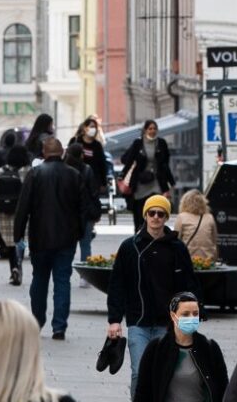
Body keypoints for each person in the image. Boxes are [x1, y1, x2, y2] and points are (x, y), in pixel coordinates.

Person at [106, 193, 198, 387]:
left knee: (164, 375)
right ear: (145, 215)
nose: (156, 217)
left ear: (166, 218)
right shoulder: (130, 247)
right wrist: (114, 320)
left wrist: (192, 317)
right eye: (152, 213)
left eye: (161, 214)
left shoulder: (177, 248)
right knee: (139, 373)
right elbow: (117, 284)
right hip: (138, 321)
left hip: (167, 324)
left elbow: (189, 284)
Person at [15, 136, 96, 341]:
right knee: (62, 281)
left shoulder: (35, 174)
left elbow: (23, 207)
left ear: (43, 153)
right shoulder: (74, 175)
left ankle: (37, 321)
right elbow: (83, 208)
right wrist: (78, 232)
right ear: (62, 153)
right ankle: (59, 327)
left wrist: (18, 235)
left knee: (39, 279)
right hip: (66, 239)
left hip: (39, 237)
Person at [117, 119, 175, 229]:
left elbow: (165, 164)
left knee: (156, 206)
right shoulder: (138, 143)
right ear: (145, 130)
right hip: (140, 182)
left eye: (154, 129)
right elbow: (128, 160)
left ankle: (154, 230)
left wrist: (171, 182)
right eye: (150, 129)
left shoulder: (161, 143)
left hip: (157, 181)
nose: (152, 131)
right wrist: (123, 174)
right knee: (139, 209)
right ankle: (139, 231)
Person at [0, 143, 30, 286]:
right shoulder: (30, 171)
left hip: (4, 212)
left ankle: (13, 267)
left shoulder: (2, 171)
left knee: (10, 243)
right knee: (20, 240)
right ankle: (18, 266)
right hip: (24, 212)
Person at [172, 190, 218, 264]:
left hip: (188, 261)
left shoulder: (181, 217)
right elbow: (214, 241)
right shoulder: (210, 217)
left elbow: (175, 242)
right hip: (207, 262)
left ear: (184, 203)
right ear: (203, 203)